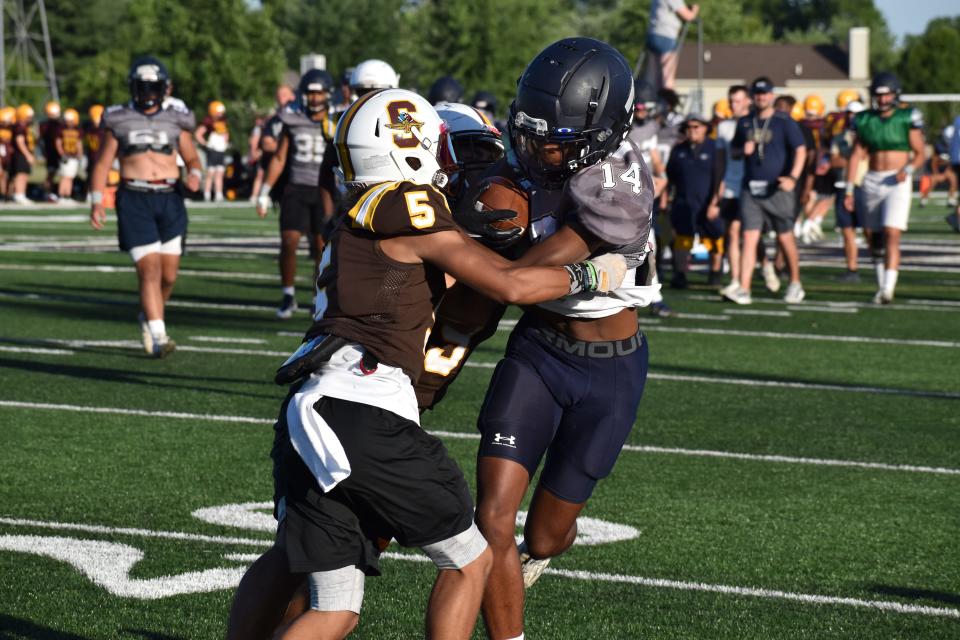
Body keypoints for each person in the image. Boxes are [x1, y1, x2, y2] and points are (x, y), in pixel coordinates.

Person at [226, 87, 627, 640]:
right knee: (468, 558)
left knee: (331, 598)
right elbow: (503, 281)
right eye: (462, 155)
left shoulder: (371, 213)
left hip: (323, 403)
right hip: (367, 407)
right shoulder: (409, 207)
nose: (476, 173)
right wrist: (592, 273)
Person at [433, 38, 657, 640]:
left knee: (546, 535)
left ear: (606, 134)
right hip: (539, 353)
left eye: (555, 142)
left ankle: (541, 555)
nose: (535, 151)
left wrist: (482, 238)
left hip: (610, 368)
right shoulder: (533, 158)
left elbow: (517, 281)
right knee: (491, 519)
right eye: (529, 135)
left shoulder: (617, 187)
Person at [89, 56, 202, 357]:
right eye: (144, 87)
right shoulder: (118, 117)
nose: (149, 93)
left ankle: (149, 314)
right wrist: (97, 201)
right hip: (134, 198)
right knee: (149, 270)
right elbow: (102, 163)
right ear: (133, 87)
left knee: (169, 276)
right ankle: (159, 334)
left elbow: (191, 157)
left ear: (164, 88)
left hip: (169, 198)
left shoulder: (177, 117)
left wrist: (195, 173)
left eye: (154, 87)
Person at [256, 70, 337, 319]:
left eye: (318, 93)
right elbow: (280, 157)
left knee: (320, 247)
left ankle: (318, 296)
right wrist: (264, 191)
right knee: (289, 241)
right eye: (310, 93)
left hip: (324, 189)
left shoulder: (337, 120)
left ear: (327, 94)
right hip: (296, 187)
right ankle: (288, 295)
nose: (314, 98)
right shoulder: (292, 118)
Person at [722, 76, 807, 305]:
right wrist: (743, 150)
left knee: (785, 237)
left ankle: (795, 283)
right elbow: (734, 151)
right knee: (749, 237)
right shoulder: (745, 122)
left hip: (777, 187)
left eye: (765, 93)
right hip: (750, 188)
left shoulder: (784, 121)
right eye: (758, 94)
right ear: (753, 97)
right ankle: (745, 288)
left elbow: (801, 150)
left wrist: (793, 177)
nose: (761, 97)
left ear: (771, 95)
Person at [844, 71, 925, 303]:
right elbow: (856, 155)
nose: (882, 100)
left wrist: (908, 170)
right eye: (878, 96)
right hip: (872, 179)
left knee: (892, 232)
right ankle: (881, 286)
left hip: (897, 180)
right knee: (873, 237)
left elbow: (919, 153)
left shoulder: (907, 116)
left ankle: (889, 287)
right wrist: (849, 188)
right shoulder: (864, 119)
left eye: (886, 95)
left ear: (895, 95)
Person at [666, 112, 725, 287]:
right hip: (684, 202)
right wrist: (667, 199)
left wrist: (715, 203)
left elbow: (721, 178)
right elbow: (670, 177)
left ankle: (715, 273)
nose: (692, 131)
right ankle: (680, 274)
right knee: (682, 239)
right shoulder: (679, 149)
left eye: (696, 127)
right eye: (689, 127)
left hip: (708, 203)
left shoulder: (715, 148)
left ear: (706, 128)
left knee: (714, 239)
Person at [715, 84, 750, 291]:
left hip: (751, 185)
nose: (733, 105)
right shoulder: (724, 127)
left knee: (750, 234)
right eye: (731, 101)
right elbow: (720, 162)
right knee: (734, 233)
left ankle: (764, 265)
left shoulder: (755, 124)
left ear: (747, 101)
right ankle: (736, 280)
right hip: (731, 185)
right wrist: (718, 188)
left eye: (737, 100)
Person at [830, 99, 867, 281]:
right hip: (843, 186)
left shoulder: (870, 136)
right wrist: (853, 158)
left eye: (856, 114)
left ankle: (880, 265)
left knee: (870, 230)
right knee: (847, 229)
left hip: (864, 186)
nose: (852, 117)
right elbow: (834, 161)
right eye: (850, 114)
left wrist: (851, 157)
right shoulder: (839, 137)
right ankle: (852, 269)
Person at [644, 0, 699, 92]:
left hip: (653, 35)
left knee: (654, 75)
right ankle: (667, 102)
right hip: (666, 36)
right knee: (668, 76)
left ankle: (652, 97)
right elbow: (688, 16)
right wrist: (695, 9)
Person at [196, 100, 229, 202]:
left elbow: (226, 134)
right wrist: (206, 144)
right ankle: (207, 193)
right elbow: (198, 134)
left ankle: (219, 194)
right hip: (212, 150)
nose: (221, 114)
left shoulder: (223, 122)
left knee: (220, 172)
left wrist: (225, 143)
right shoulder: (209, 122)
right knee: (210, 173)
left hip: (221, 150)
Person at [55, 108, 83, 202]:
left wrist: (80, 154)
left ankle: (67, 196)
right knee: (65, 176)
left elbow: (79, 143)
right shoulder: (61, 129)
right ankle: (62, 195)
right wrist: (62, 154)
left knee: (70, 177)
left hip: (73, 156)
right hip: (66, 156)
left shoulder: (77, 130)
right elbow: (58, 143)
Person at [11, 104, 36, 204]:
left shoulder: (25, 126)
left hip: (24, 153)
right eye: (28, 117)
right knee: (21, 174)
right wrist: (27, 154)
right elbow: (20, 142)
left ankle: (21, 194)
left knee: (25, 174)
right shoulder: (19, 127)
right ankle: (18, 194)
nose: (30, 119)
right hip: (20, 154)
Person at [39, 100, 61, 200]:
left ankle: (48, 192)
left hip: (52, 152)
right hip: (52, 153)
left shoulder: (46, 125)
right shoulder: (49, 125)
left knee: (53, 174)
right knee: (51, 174)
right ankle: (46, 192)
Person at [0, 106, 15, 197]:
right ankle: (2, 194)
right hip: (2, 155)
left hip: (10, 155)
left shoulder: (13, 129)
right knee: (2, 175)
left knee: (10, 175)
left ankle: (9, 194)